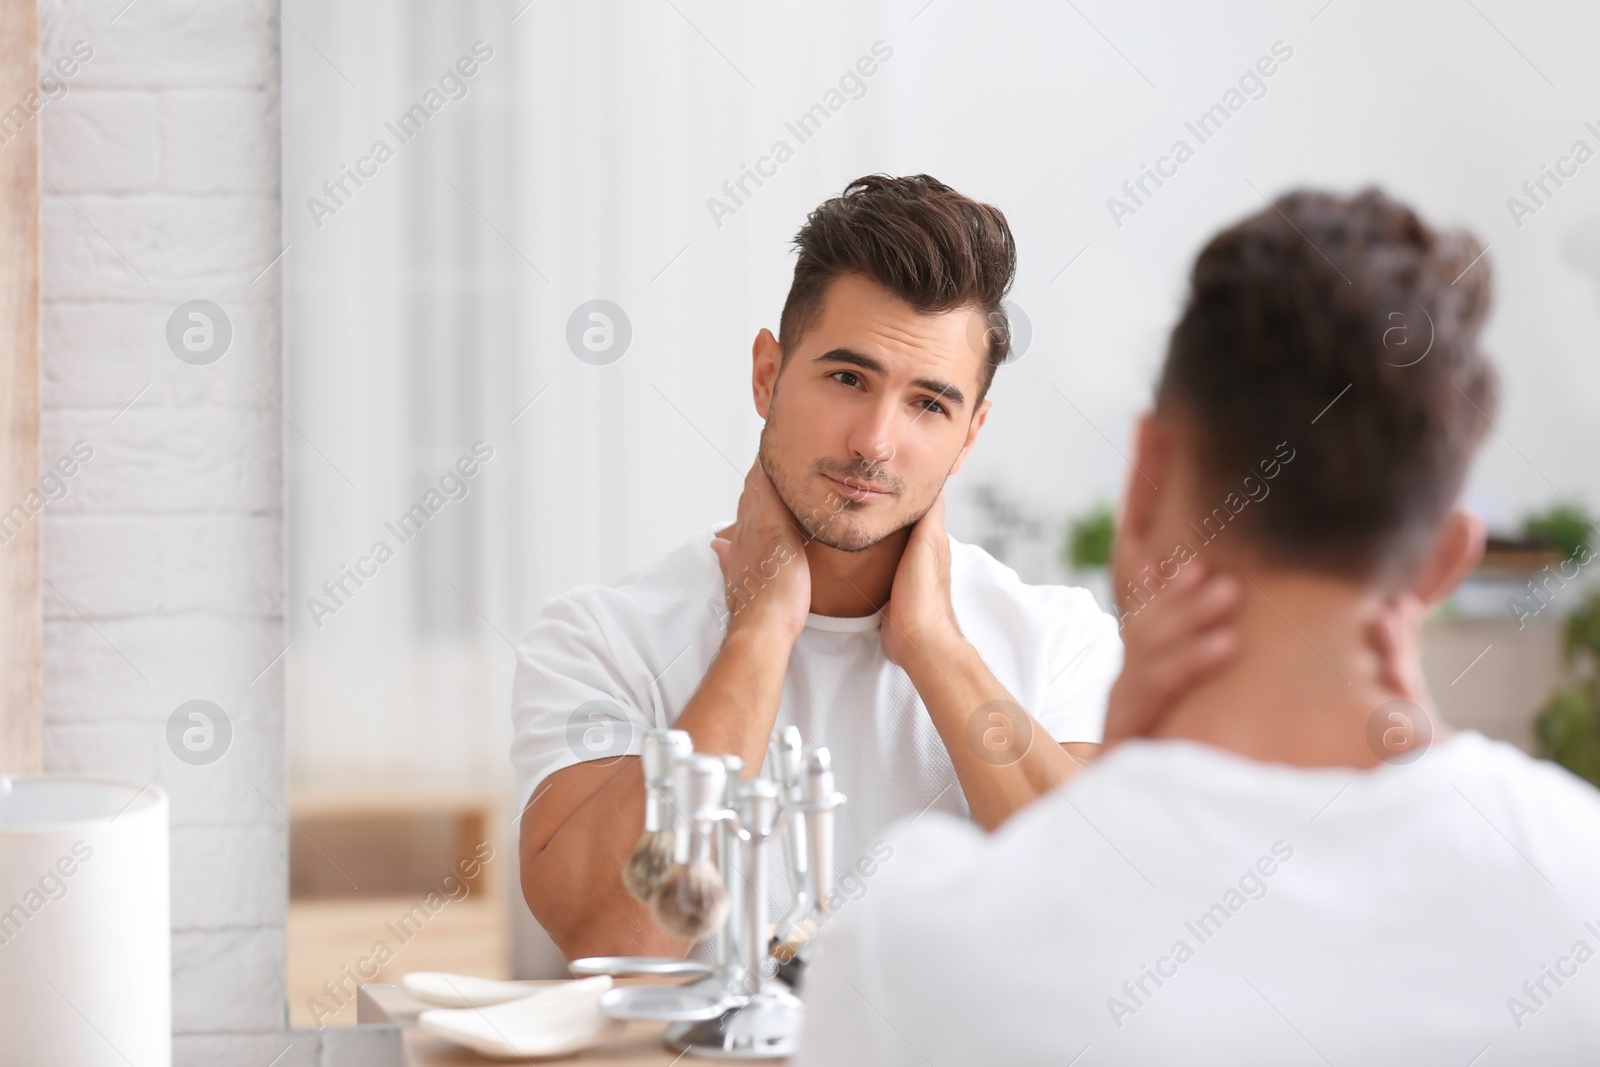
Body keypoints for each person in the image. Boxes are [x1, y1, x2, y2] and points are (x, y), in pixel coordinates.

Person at [797, 188, 1600, 1065]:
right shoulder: (1578, 880)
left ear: (1143, 484)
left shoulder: (910, 940)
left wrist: (1111, 804)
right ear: (1446, 558)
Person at [511, 174, 1236, 959]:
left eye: (929, 403)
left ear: (971, 433)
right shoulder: (602, 638)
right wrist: (759, 633)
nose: (875, 443)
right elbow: (609, 935)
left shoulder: (1060, 642)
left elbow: (1114, 920)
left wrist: (935, 647)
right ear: (767, 374)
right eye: (848, 378)